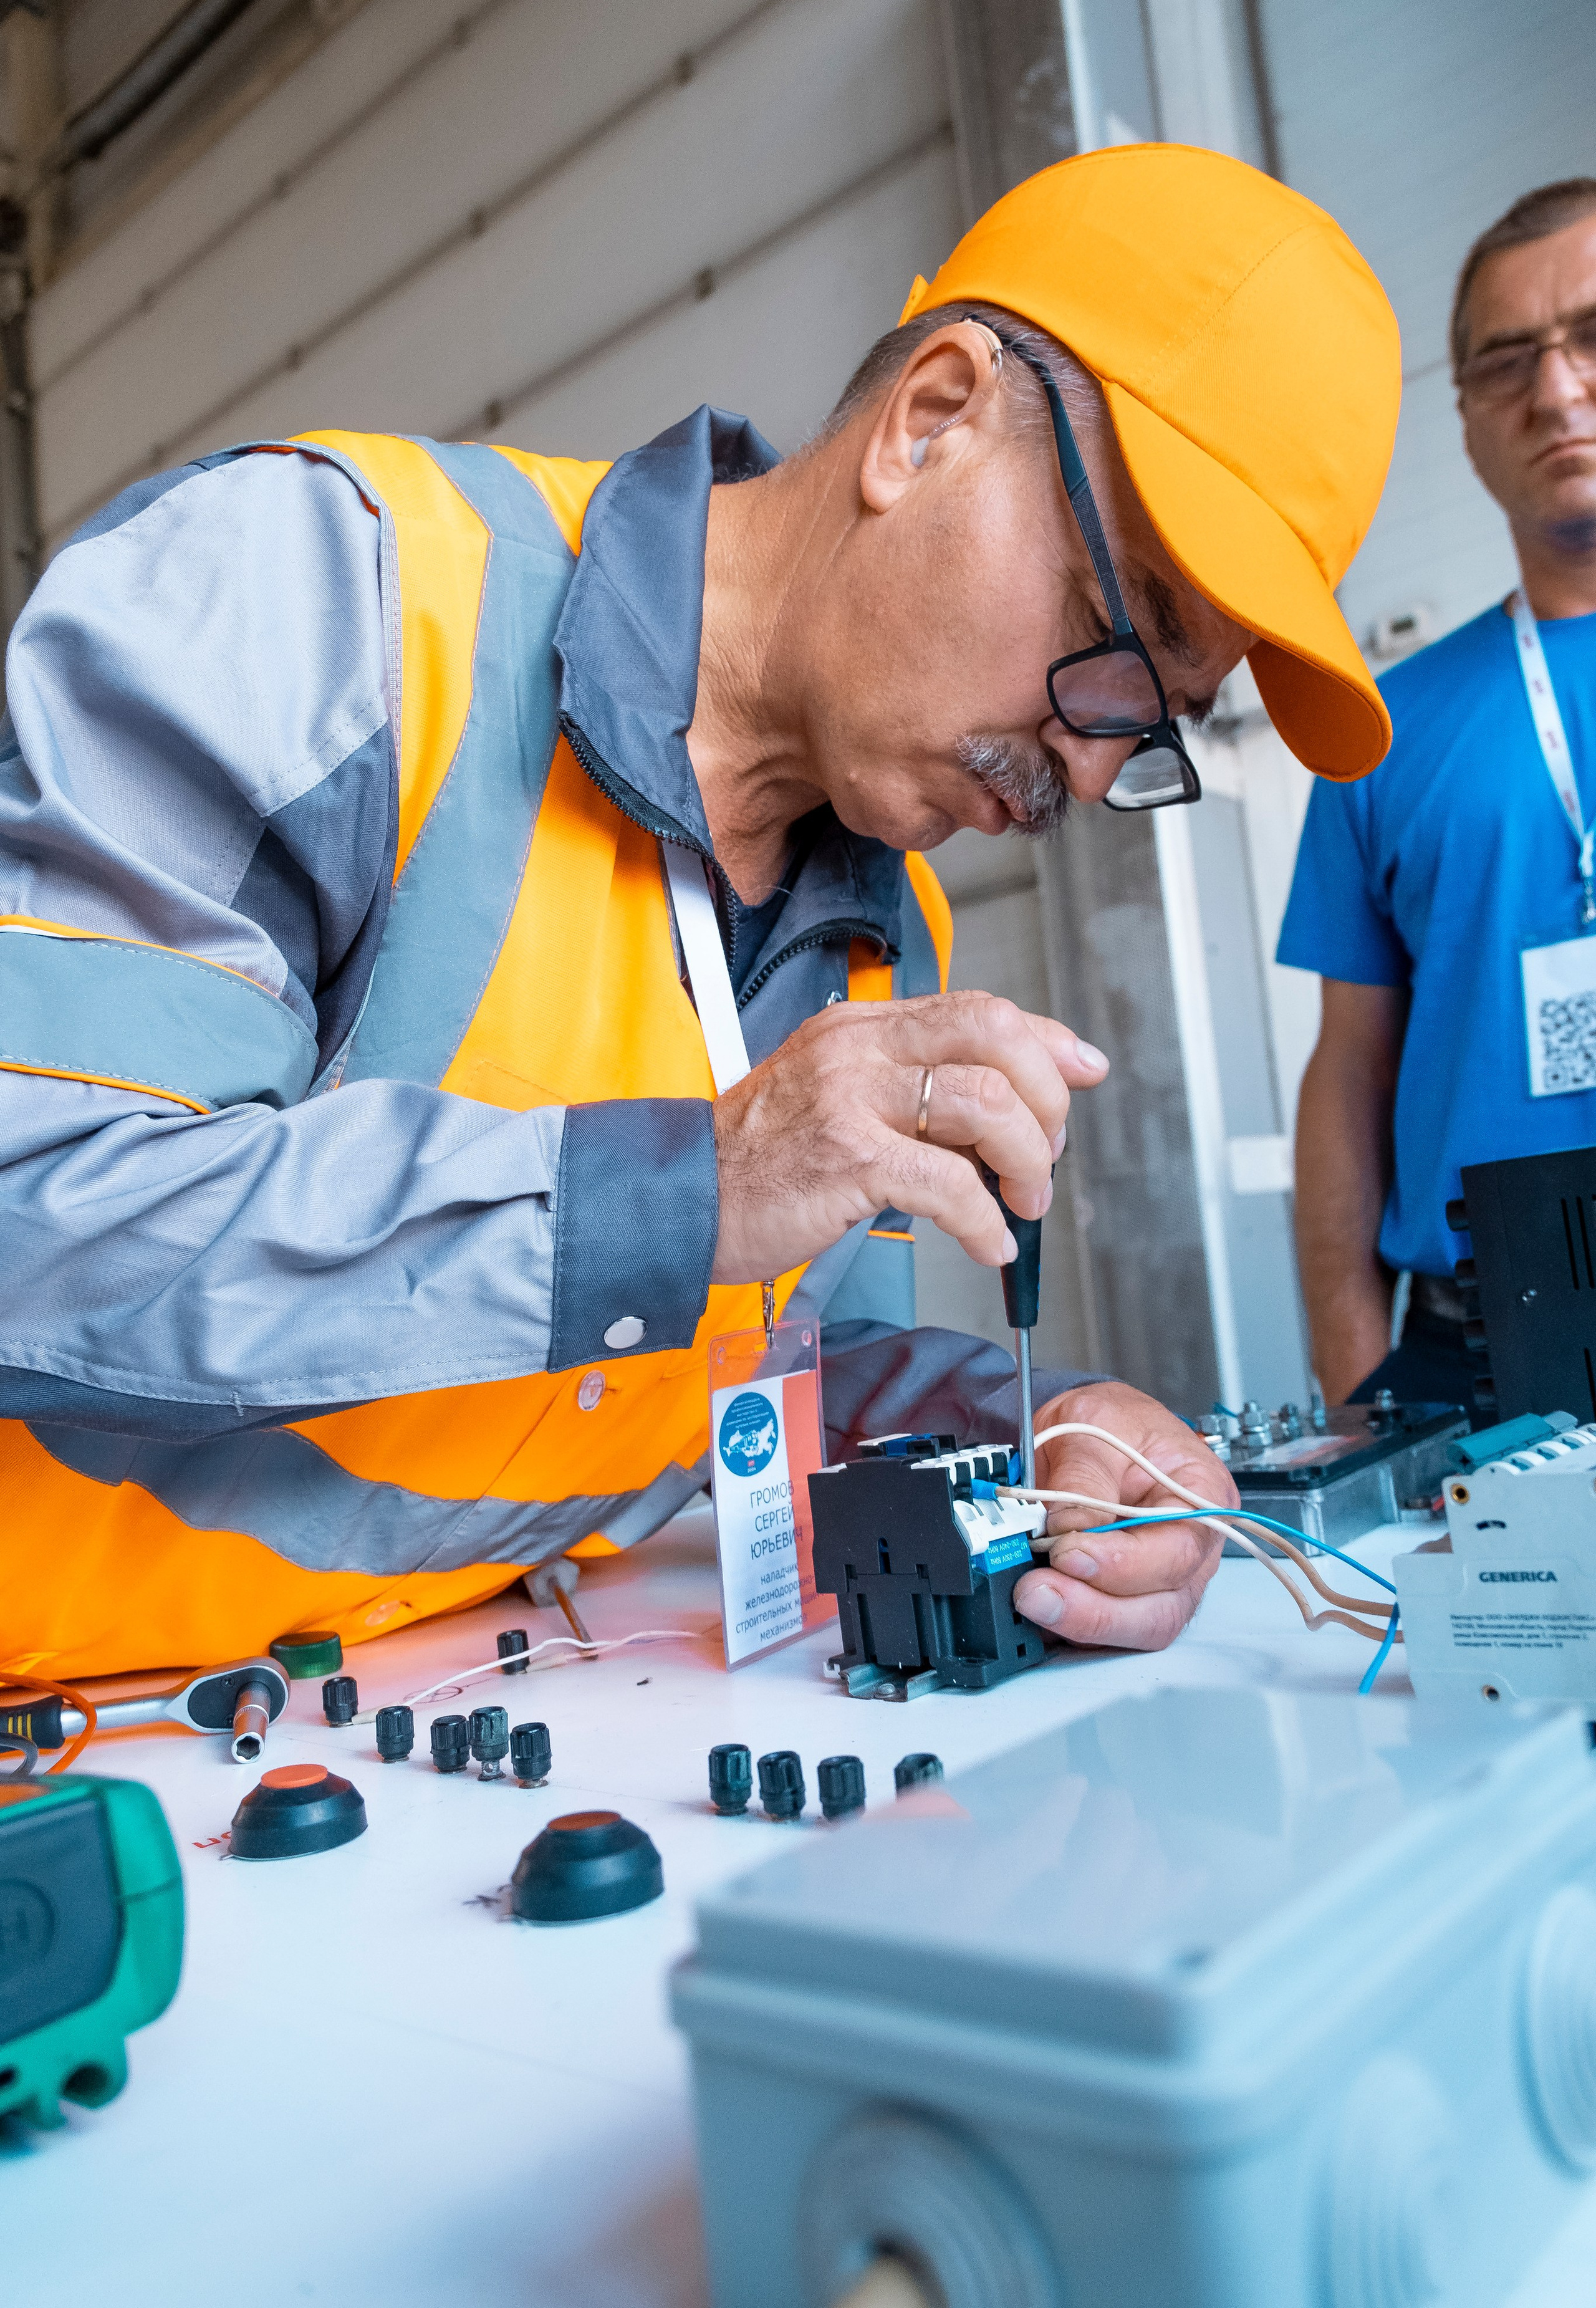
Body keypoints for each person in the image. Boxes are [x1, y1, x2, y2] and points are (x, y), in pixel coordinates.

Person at [0, 144, 1400, 1680]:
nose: (1086, 754)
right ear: (930, 419)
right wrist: (687, 1192)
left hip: (404, 1763)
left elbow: (767, 1382)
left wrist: (1034, 1432)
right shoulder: (324, 597)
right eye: (1111, 640)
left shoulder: (881, 927)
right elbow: (40, 1223)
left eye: (1158, 725)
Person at [1281, 178, 1596, 1410]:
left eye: (1588, 338)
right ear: (1462, 416)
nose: (1556, 390)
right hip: (1466, 1363)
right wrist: (1357, 1375)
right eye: (1507, 360)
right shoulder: (1375, 729)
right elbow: (1346, 1073)